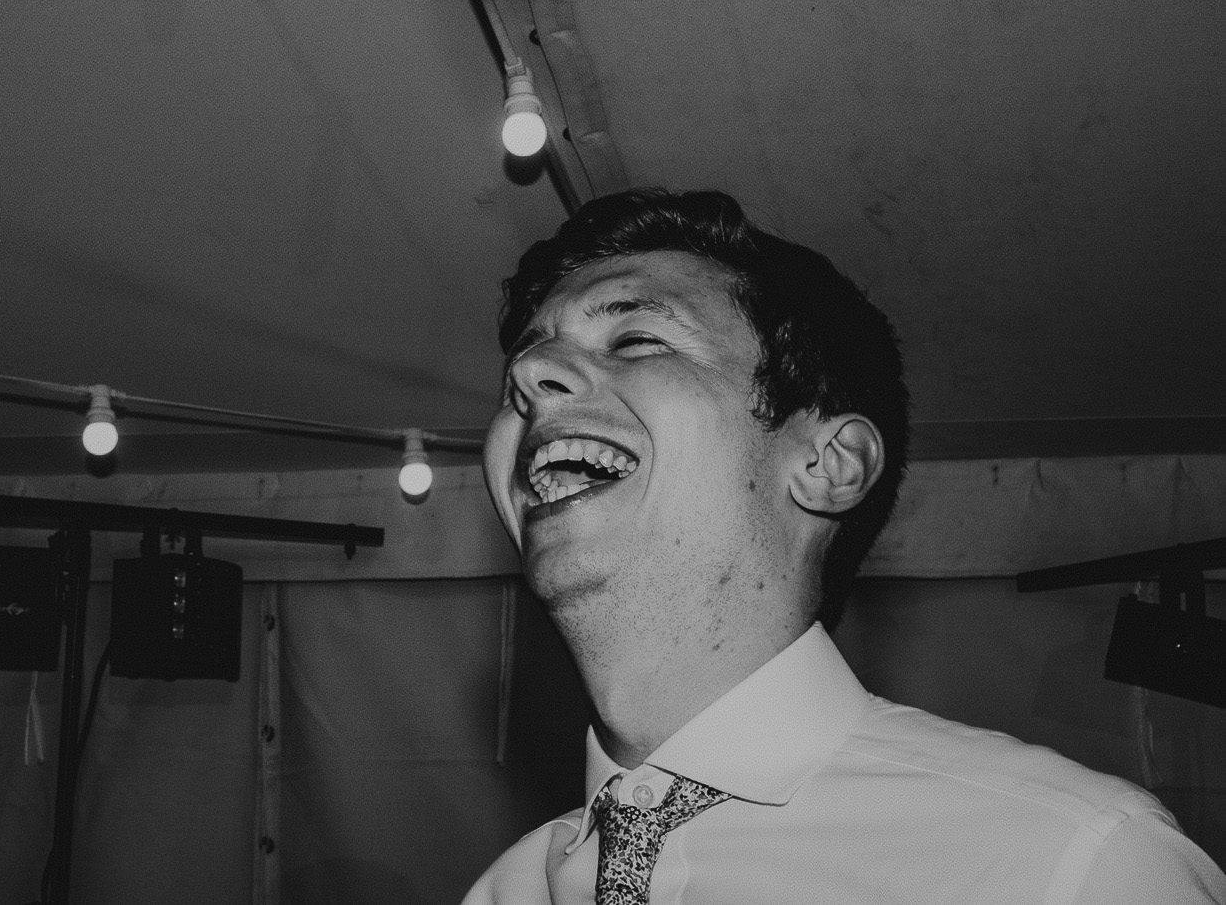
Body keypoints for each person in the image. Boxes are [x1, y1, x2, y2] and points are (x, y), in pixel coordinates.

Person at [461, 188, 1224, 905]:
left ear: (829, 466)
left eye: (635, 337)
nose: (527, 374)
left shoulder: (1074, 863)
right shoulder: (501, 890)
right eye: (519, 372)